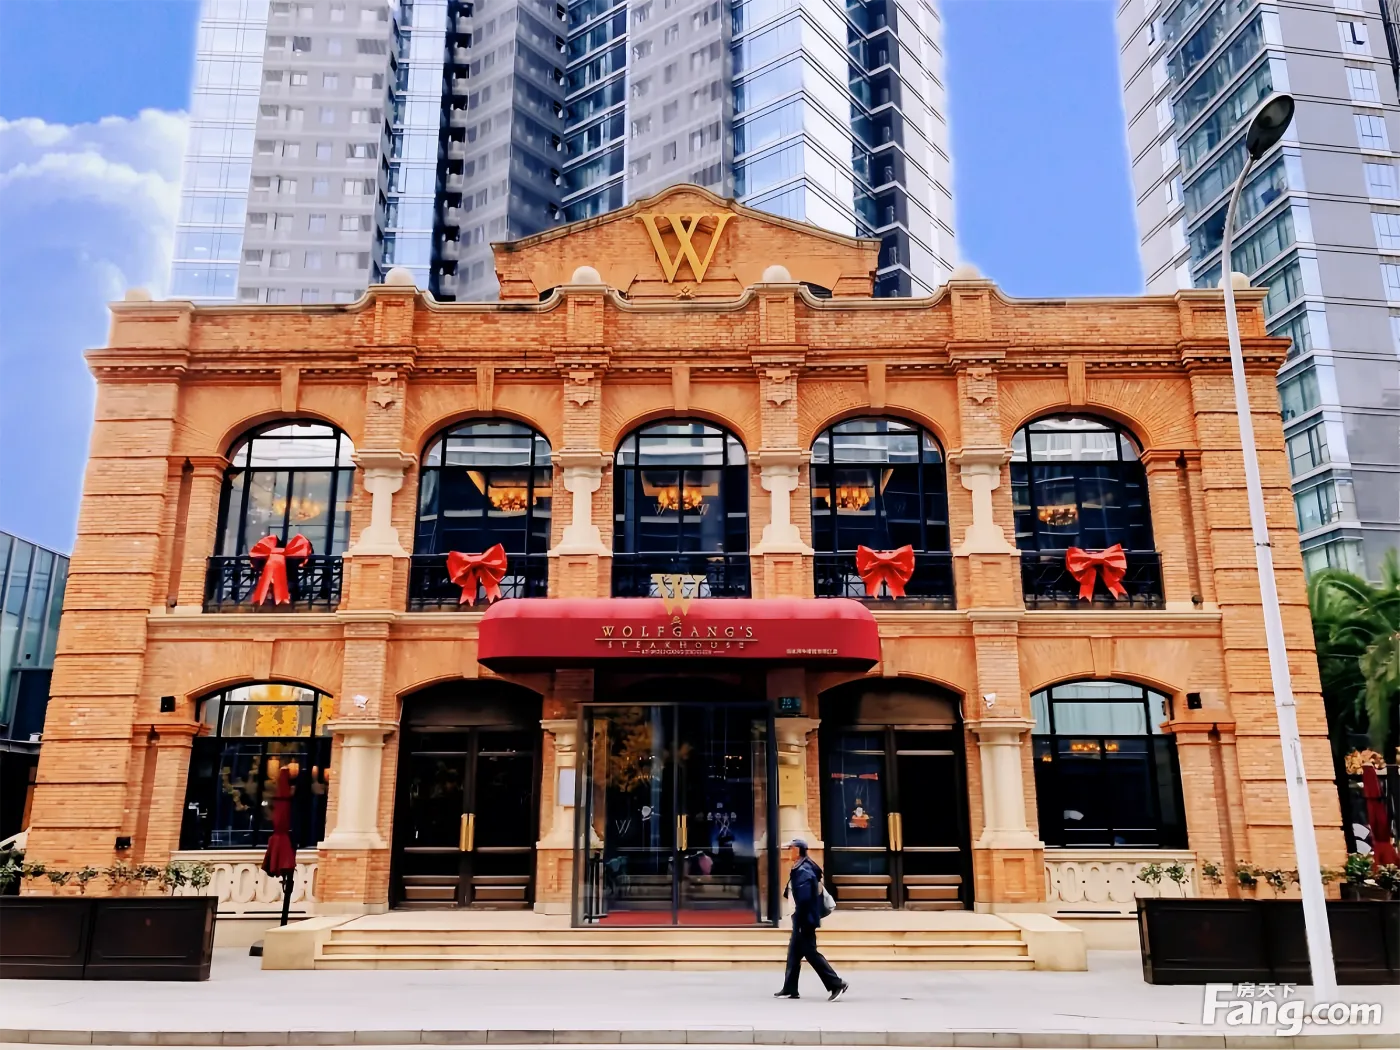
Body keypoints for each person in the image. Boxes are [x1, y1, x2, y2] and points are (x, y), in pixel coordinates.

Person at [774, 838, 848, 1001]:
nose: (788, 852)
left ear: (797, 850)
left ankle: (836, 984)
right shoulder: (800, 867)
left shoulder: (803, 870)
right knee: (794, 954)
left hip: (804, 919)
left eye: (790, 849)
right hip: (801, 918)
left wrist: (801, 921)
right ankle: (790, 988)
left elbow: (805, 899)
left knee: (810, 953)